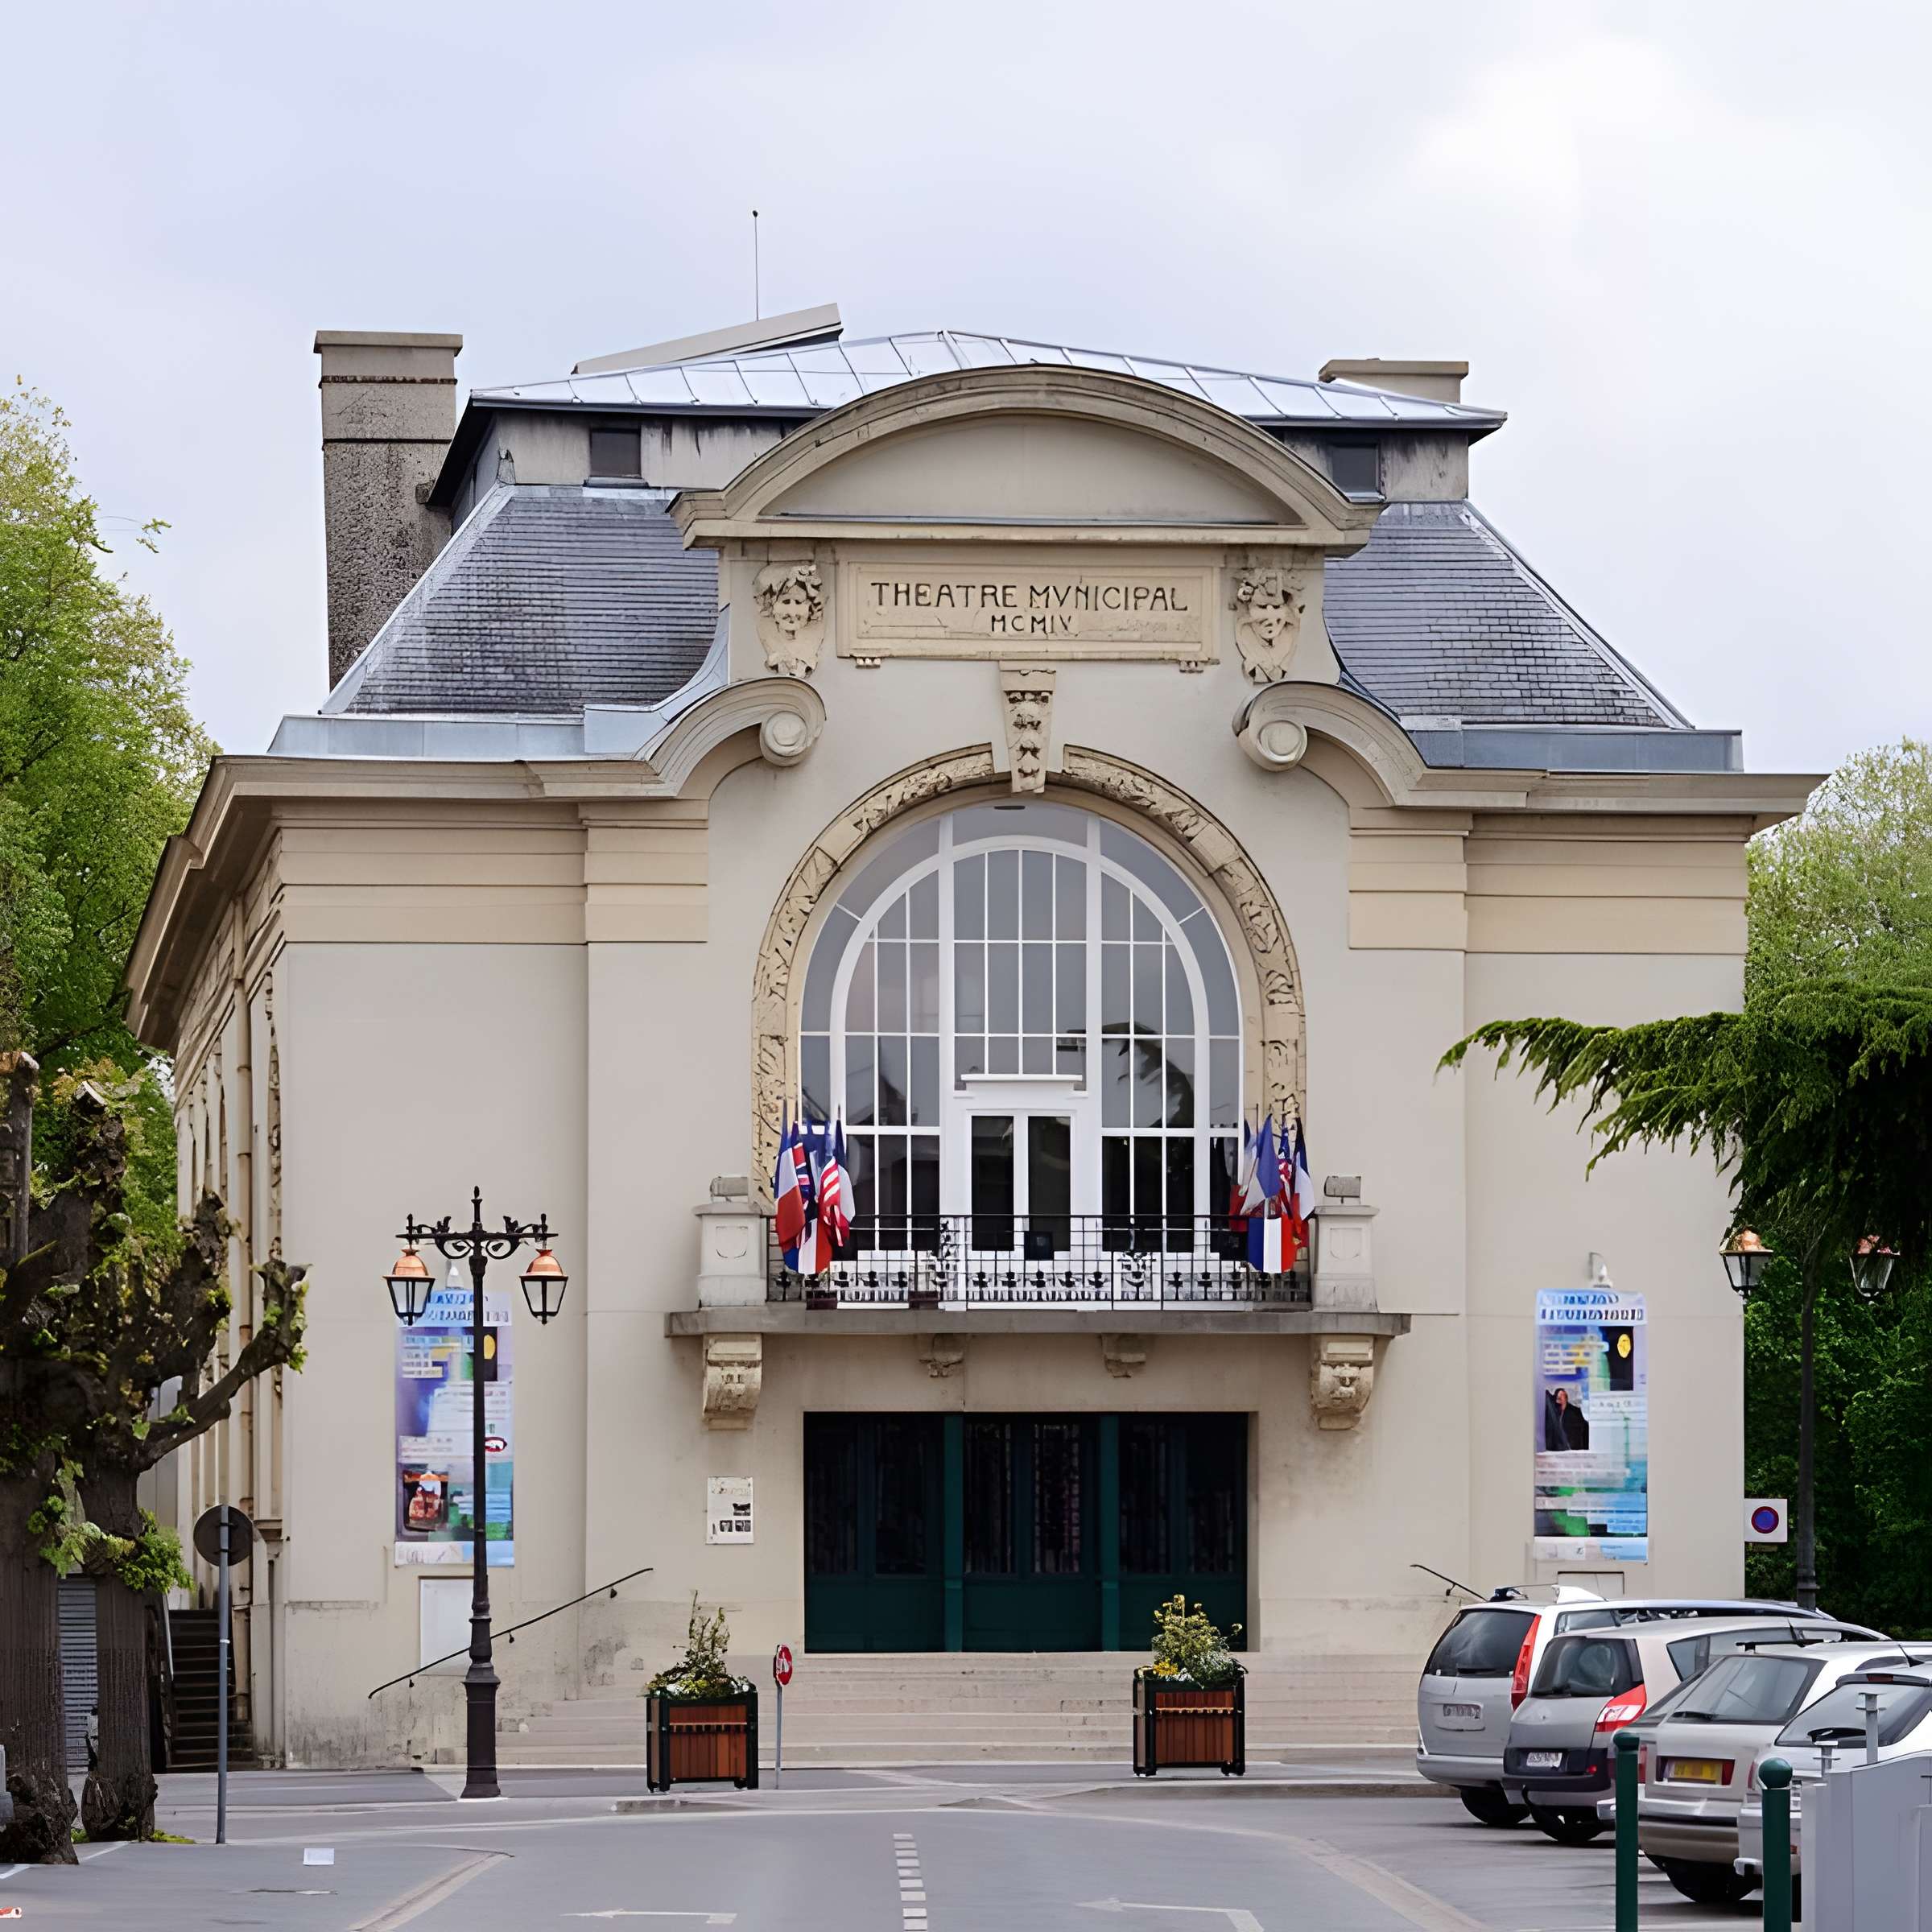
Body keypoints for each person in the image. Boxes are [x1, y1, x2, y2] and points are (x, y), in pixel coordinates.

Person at [1544, 1385, 1590, 1451]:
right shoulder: (1552, 1411)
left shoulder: (1575, 1413)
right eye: (1558, 1398)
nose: (1559, 1401)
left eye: (1561, 1398)